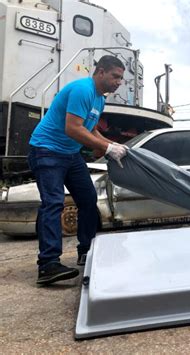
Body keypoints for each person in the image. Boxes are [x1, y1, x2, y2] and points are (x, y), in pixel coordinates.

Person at [28, 55, 128, 285]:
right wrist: (106, 146)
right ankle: (48, 265)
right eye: (115, 76)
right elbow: (73, 129)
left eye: (121, 78)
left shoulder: (100, 99)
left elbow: (90, 130)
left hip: (70, 154)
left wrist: (108, 145)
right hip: (46, 150)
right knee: (53, 203)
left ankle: (86, 251)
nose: (118, 82)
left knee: (87, 199)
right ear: (100, 72)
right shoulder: (83, 90)